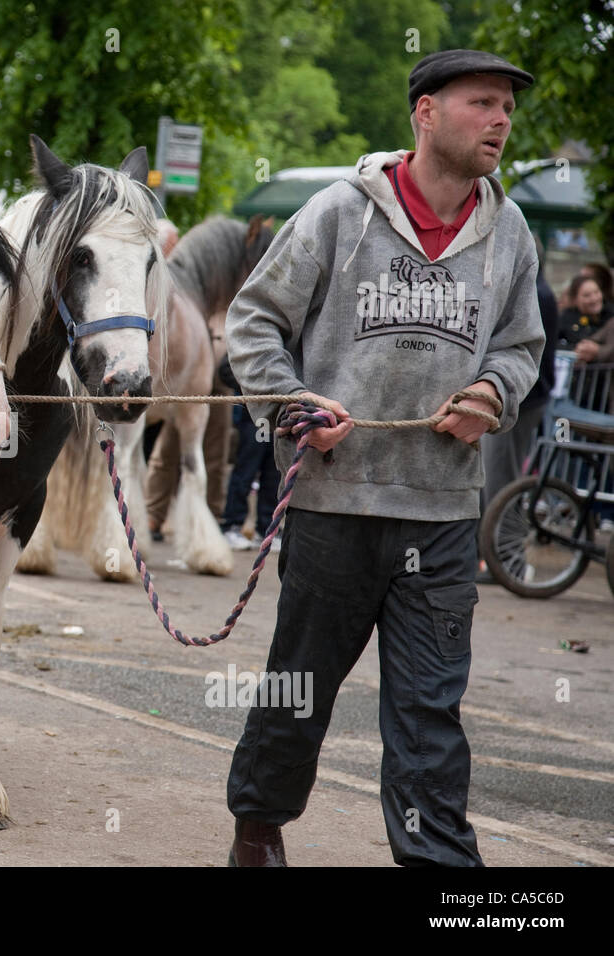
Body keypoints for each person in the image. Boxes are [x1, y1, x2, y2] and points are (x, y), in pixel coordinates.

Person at [223, 50, 544, 867]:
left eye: (507, 106)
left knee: (429, 709)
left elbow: (521, 345)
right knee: (298, 690)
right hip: (335, 504)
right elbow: (253, 323)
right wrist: (295, 405)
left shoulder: (509, 232)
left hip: (441, 515)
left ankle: (440, 869)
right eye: (482, 103)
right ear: (425, 113)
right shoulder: (338, 212)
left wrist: (493, 395)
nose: (502, 120)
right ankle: (258, 832)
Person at [479, 234, 559, 527]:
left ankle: (506, 561)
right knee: (494, 481)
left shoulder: (534, 293)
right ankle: (494, 558)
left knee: (502, 483)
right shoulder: (537, 290)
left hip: (520, 399)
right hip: (517, 396)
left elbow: (522, 351)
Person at [216, 354, 282, 552]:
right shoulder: (250, 342)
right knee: (246, 471)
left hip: (279, 417)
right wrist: (253, 384)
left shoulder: (289, 342)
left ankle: (267, 529)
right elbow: (225, 371)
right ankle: (232, 525)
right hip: (254, 416)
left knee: (274, 473)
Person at [556, 274, 612, 349]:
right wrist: (576, 349)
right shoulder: (566, 318)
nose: (594, 299)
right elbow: (552, 343)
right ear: (575, 299)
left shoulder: (611, 314)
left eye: (596, 292)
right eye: (587, 295)